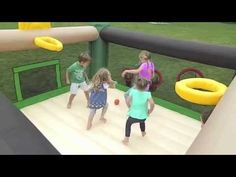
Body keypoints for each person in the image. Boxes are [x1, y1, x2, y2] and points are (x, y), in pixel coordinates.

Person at [122, 77, 155, 145]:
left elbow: (127, 101)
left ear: (136, 86)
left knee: (128, 124)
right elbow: (152, 103)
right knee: (142, 122)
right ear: (146, 87)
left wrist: (129, 107)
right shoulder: (147, 94)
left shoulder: (133, 92)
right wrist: (149, 111)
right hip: (143, 116)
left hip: (132, 116)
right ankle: (143, 132)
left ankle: (126, 139)